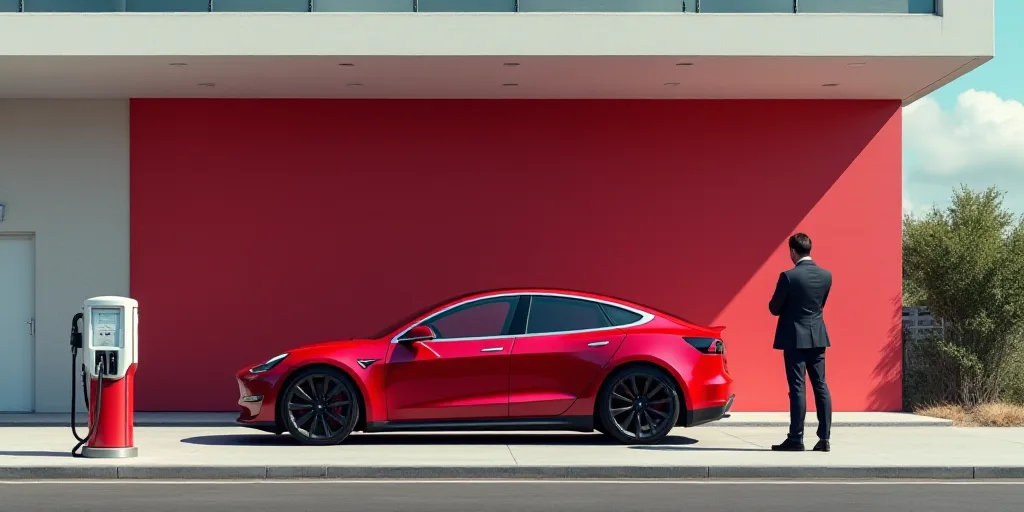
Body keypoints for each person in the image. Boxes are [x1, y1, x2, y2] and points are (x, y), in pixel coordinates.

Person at [768, 233, 833, 452]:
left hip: (794, 338)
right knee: (821, 386)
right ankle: (824, 438)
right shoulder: (826, 276)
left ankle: (796, 438)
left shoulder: (788, 277)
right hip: (818, 337)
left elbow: (774, 308)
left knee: (797, 388)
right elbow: (820, 305)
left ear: (792, 251)